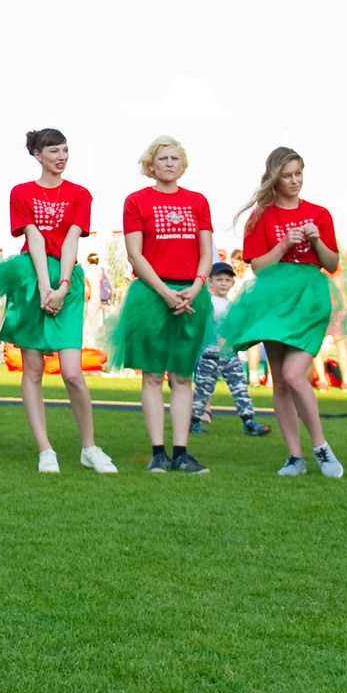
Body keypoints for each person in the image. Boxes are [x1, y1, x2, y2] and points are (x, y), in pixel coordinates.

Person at [0, 128, 114, 475]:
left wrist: (61, 288)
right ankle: (45, 449)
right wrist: (44, 288)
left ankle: (89, 447)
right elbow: (32, 236)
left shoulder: (80, 193)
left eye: (65, 150)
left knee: (73, 373)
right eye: (54, 151)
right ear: (38, 155)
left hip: (67, 278)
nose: (61, 157)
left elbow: (73, 239)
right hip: (31, 277)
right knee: (32, 369)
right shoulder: (22, 192)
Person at [225, 145, 344, 479]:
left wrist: (317, 240)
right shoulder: (261, 216)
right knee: (280, 381)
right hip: (273, 299)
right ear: (274, 178)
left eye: (299, 174)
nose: (295, 181)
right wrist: (284, 244)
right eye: (288, 175)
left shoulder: (319, 213)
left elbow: (332, 263)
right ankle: (295, 456)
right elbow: (259, 267)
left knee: (294, 375)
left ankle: (320, 447)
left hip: (309, 297)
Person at [115, 136, 215, 474]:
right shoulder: (137, 201)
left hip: (191, 295)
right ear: (151, 165)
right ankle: (158, 452)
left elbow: (206, 252)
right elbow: (135, 253)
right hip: (151, 295)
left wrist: (197, 286)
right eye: (163, 158)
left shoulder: (197, 202)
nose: (169, 163)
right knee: (153, 375)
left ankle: (182, 452)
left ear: (183, 164)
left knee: (184, 376)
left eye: (175, 158)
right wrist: (163, 291)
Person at [190, 263, 269, 437]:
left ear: (233, 282)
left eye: (227, 280)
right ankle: (194, 420)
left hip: (229, 354)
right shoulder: (208, 302)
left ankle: (248, 420)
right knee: (204, 388)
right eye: (219, 279)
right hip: (209, 354)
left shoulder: (232, 305)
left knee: (239, 385)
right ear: (210, 281)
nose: (223, 283)